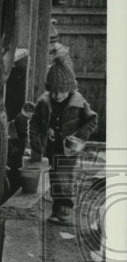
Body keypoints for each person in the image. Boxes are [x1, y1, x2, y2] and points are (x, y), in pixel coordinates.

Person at [28, 57, 99, 224]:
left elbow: (91, 120)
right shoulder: (44, 103)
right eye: (53, 91)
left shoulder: (79, 103)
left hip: (69, 148)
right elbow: (36, 122)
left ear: (70, 89)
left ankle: (64, 208)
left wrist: (80, 136)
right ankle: (58, 208)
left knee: (63, 176)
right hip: (53, 147)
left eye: (61, 91)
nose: (57, 95)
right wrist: (39, 136)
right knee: (55, 177)